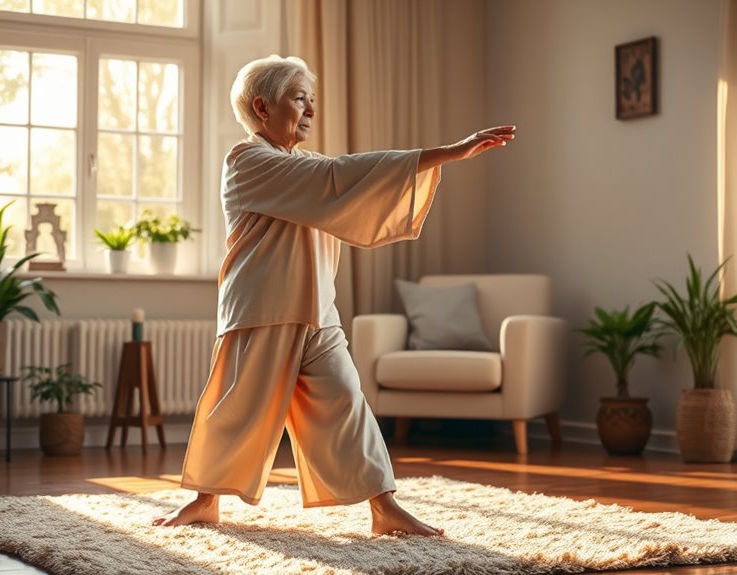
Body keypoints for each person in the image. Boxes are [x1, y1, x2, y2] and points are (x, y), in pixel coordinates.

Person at [152, 55, 514, 536]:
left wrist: (438, 159)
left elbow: (350, 182)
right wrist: (445, 152)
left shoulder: (303, 164)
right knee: (237, 412)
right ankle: (204, 502)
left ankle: (385, 508)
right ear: (263, 106)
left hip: (317, 311)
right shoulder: (246, 161)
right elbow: (339, 179)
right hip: (260, 310)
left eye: (311, 100)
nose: (310, 110)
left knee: (347, 405)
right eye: (299, 98)